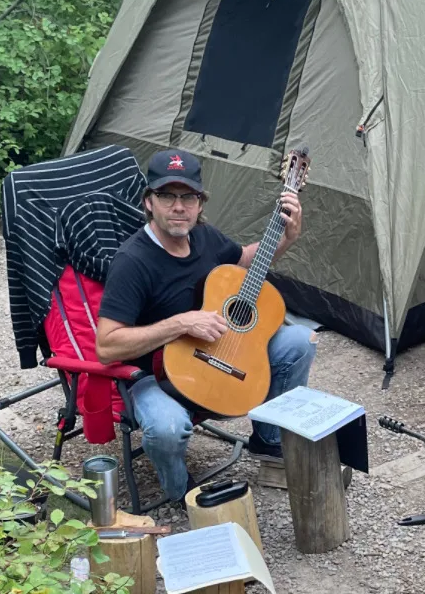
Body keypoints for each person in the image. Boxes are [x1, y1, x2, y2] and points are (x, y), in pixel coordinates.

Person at [96, 148, 315, 500]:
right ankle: (182, 491)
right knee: (167, 429)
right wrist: (180, 324)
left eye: (188, 197)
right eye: (167, 196)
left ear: (200, 202)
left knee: (300, 341)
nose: (179, 207)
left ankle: (268, 441)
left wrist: (285, 237)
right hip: (158, 377)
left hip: (221, 358)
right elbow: (106, 347)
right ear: (149, 202)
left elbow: (243, 260)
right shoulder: (132, 261)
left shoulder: (204, 236)